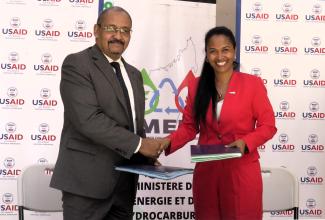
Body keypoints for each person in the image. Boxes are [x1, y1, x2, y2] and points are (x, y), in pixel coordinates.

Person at [50, 7, 164, 220]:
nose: (118, 36)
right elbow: (89, 120)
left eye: (125, 30)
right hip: (86, 185)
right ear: (96, 30)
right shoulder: (77, 64)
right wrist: (140, 144)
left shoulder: (135, 75)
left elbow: (132, 125)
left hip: (124, 186)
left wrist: (144, 155)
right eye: (111, 28)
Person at [161, 26, 277, 220]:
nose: (219, 56)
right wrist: (165, 142)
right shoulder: (196, 85)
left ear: (234, 51)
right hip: (207, 172)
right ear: (206, 55)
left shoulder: (252, 84)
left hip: (241, 171)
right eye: (212, 51)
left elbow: (268, 125)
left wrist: (246, 143)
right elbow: (189, 127)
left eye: (225, 49)